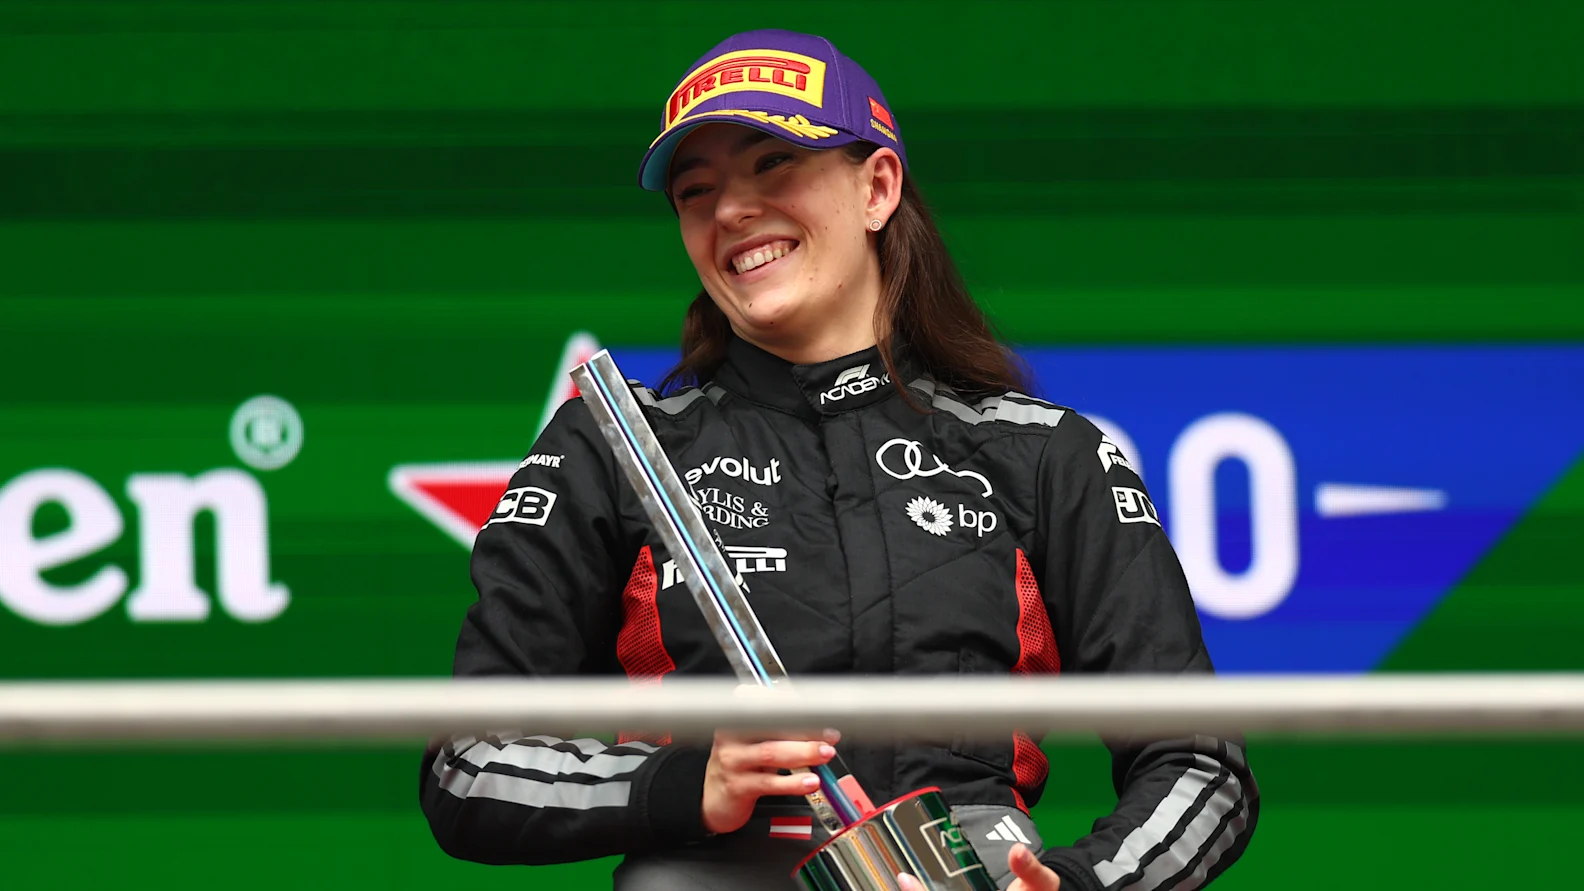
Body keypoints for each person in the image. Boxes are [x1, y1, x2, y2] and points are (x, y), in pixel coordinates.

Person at [420, 29, 1258, 891]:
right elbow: (467, 766)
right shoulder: (613, 447)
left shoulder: (1044, 453)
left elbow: (1201, 767)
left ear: (878, 186)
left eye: (774, 163)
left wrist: (1077, 886)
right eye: (694, 191)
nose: (729, 211)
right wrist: (685, 785)